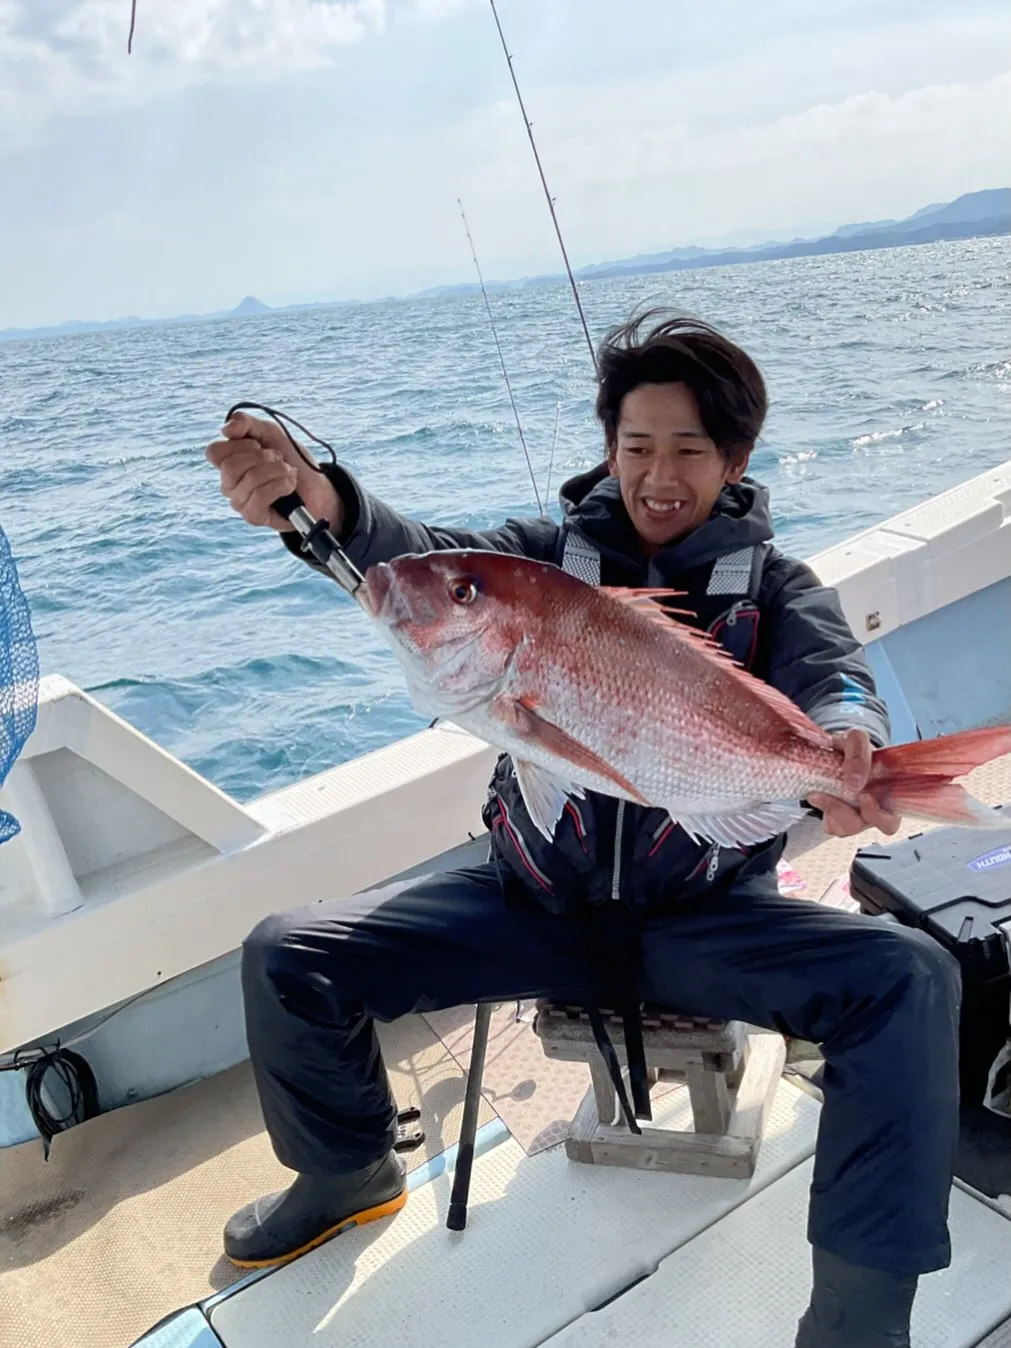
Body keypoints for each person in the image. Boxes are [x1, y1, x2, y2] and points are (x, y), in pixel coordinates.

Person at [206, 311, 960, 1348]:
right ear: (609, 447)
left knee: (912, 978)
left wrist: (851, 748)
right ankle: (348, 1173)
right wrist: (320, 499)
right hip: (532, 902)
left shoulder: (780, 591)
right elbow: (415, 558)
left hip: (706, 919)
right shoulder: (534, 566)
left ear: (736, 459)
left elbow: (833, 677)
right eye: (636, 444)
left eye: (689, 449)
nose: (658, 474)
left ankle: (856, 1322)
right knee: (288, 954)